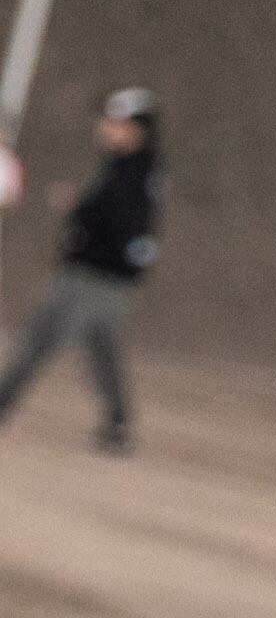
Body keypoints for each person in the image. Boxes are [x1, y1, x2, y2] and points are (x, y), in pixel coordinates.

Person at [0, 86, 161, 453]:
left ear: (135, 129)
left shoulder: (136, 173)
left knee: (40, 335)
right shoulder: (126, 167)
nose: (105, 126)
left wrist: (81, 209)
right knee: (101, 346)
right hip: (101, 275)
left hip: (95, 276)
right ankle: (118, 424)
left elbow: (123, 222)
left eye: (114, 121)